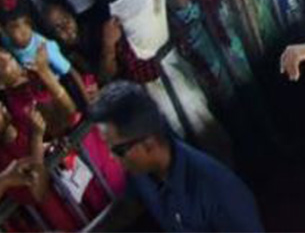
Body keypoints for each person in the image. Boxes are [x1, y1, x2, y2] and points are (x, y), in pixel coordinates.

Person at [87, 80, 262, 232]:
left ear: (149, 143)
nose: (111, 157)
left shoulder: (218, 192)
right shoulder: (140, 171)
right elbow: (128, 205)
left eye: (117, 150)